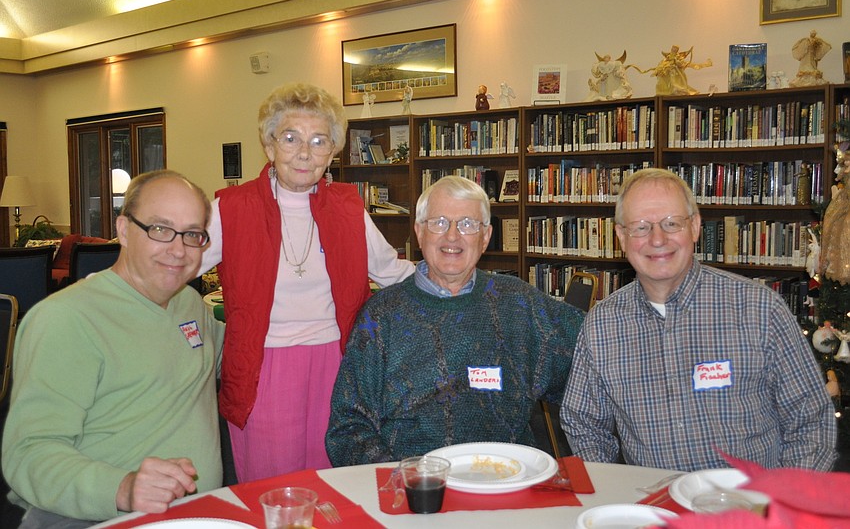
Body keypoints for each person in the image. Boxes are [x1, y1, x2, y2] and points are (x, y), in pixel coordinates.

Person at [201, 82, 414, 482]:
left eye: (318, 141)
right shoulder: (232, 209)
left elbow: (392, 271)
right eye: (290, 138)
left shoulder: (349, 208)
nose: (304, 152)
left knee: (336, 480)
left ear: (331, 152)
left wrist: (455, 277)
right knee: (272, 486)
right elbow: (179, 264)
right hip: (262, 367)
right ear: (269, 146)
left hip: (337, 363)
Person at [560, 168, 837, 472]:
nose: (657, 239)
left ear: (694, 227)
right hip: (655, 500)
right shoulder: (602, 325)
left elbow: (811, 420)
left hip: (751, 499)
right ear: (621, 238)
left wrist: (783, 497)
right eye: (640, 227)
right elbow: (582, 421)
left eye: (671, 223)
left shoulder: (759, 309)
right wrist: (614, 487)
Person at [2, 170, 225, 527]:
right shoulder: (66, 319)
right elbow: (28, 454)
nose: (178, 249)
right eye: (160, 229)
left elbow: (233, 356)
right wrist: (123, 488)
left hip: (191, 514)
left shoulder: (188, 302)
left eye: (192, 234)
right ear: (123, 230)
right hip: (88, 516)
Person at [325, 175, 584, 465]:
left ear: (485, 237)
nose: (452, 236)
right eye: (438, 222)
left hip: (506, 477)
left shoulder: (521, 305)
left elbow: (595, 354)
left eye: (467, 224)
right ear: (419, 232)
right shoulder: (380, 317)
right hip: (415, 483)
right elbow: (348, 426)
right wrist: (403, 477)